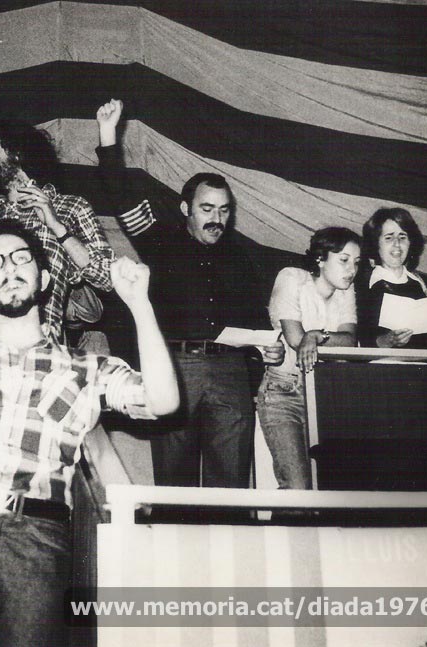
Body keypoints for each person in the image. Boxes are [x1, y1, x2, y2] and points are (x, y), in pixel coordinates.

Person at [0, 220, 178, 646]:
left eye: (20, 258)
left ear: (45, 278)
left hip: (37, 538)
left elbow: (163, 401)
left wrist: (140, 304)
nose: (8, 268)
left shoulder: (88, 368)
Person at [96, 99, 283, 489]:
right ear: (186, 209)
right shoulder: (159, 240)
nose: (216, 218)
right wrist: (108, 135)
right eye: (207, 209)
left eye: (224, 210)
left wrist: (270, 348)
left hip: (231, 373)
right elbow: (122, 195)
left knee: (231, 485)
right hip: (177, 369)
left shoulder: (241, 258)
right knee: (174, 486)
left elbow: (257, 321)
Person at [0, 119, 114, 347]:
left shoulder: (71, 208)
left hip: (34, 349)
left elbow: (107, 278)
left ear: (17, 153)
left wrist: (57, 226)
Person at [258, 227, 360, 489]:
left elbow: (349, 342)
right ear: (320, 258)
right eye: (344, 260)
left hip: (326, 396)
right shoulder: (292, 278)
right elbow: (295, 338)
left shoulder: (346, 290)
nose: (352, 269)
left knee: (332, 489)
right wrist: (310, 336)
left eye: (356, 262)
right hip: (284, 393)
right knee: (297, 486)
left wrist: (316, 335)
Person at [357, 207, 427, 350]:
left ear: (411, 243)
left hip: (426, 369)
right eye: (389, 237)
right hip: (381, 369)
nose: (397, 244)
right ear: (376, 243)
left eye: (402, 237)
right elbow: (356, 339)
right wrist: (386, 341)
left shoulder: (426, 285)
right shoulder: (362, 285)